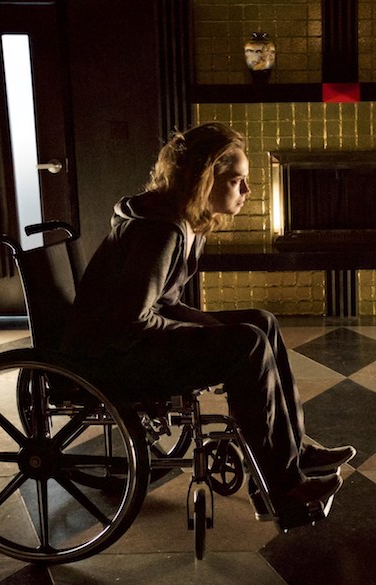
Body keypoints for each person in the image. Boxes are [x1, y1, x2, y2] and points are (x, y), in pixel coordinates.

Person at [62, 122, 355, 519]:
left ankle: (295, 448)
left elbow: (165, 303)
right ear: (202, 179)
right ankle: (282, 487)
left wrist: (211, 328)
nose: (246, 190)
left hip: (131, 342)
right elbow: (129, 321)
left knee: (261, 322)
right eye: (236, 180)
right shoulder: (161, 231)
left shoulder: (185, 222)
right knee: (247, 343)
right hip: (113, 358)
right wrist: (210, 335)